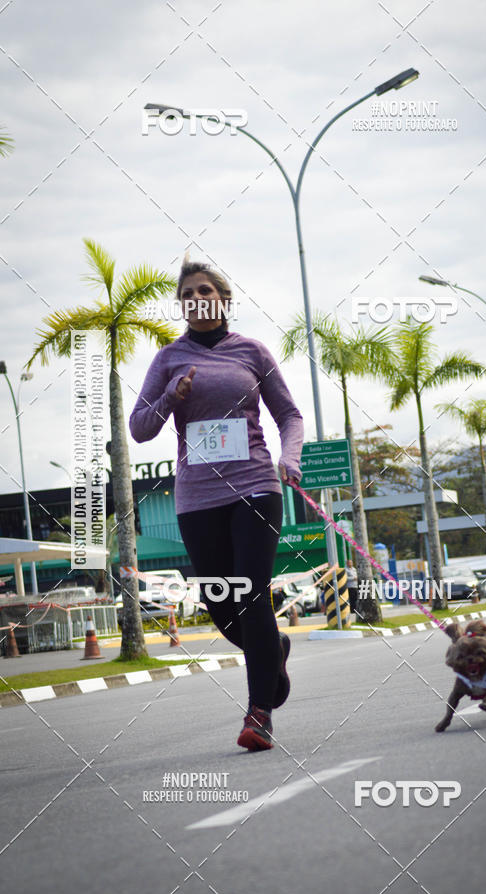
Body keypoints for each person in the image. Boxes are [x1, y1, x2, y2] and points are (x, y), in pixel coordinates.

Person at [129, 257, 304, 752]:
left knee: (251, 595)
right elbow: (139, 430)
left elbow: (289, 415)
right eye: (188, 293)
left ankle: (259, 715)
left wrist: (289, 459)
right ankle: (274, 652)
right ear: (182, 304)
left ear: (224, 299)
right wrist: (169, 396)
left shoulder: (252, 351)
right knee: (221, 607)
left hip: (254, 488)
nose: (197, 298)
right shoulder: (167, 359)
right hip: (197, 498)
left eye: (206, 290)